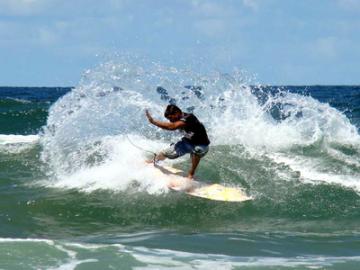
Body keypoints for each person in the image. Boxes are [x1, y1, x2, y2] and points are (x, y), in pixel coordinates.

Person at [145, 105, 210, 179]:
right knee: (165, 153)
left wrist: (153, 121)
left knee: (197, 150)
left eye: (171, 118)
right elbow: (171, 119)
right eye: (168, 119)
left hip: (202, 145)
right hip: (186, 143)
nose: (170, 120)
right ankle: (153, 161)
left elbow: (172, 127)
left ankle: (191, 173)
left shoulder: (189, 118)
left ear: (177, 113)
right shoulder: (177, 117)